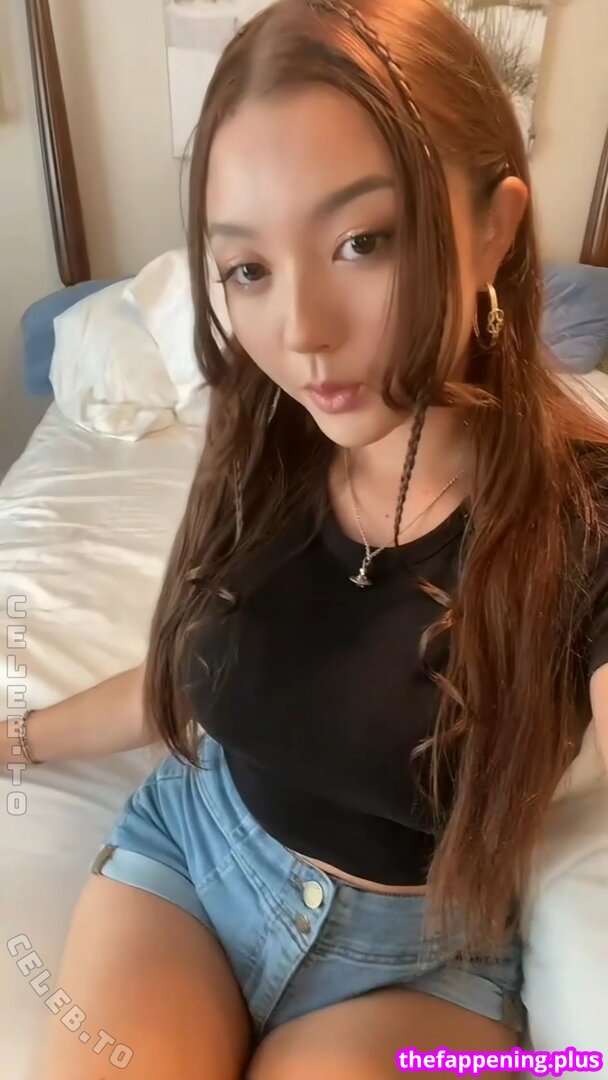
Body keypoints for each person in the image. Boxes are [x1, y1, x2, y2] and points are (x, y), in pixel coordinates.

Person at [21, 0, 608, 1076]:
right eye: (248, 269)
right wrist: (17, 738)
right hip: (193, 865)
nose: (301, 334)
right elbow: (194, 668)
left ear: (492, 229)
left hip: (418, 965)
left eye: (360, 243)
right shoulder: (264, 445)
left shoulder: (587, 515)